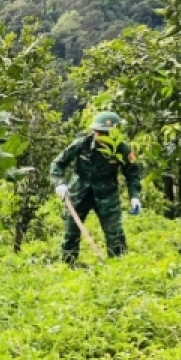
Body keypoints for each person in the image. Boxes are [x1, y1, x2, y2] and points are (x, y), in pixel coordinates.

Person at [49, 111, 143, 264]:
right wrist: (59, 183)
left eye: (105, 133)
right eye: (98, 132)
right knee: (71, 232)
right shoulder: (82, 144)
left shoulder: (122, 149)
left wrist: (134, 196)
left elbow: (132, 174)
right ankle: (67, 265)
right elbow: (58, 164)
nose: (101, 136)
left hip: (107, 194)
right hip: (79, 192)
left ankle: (118, 267)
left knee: (115, 234)